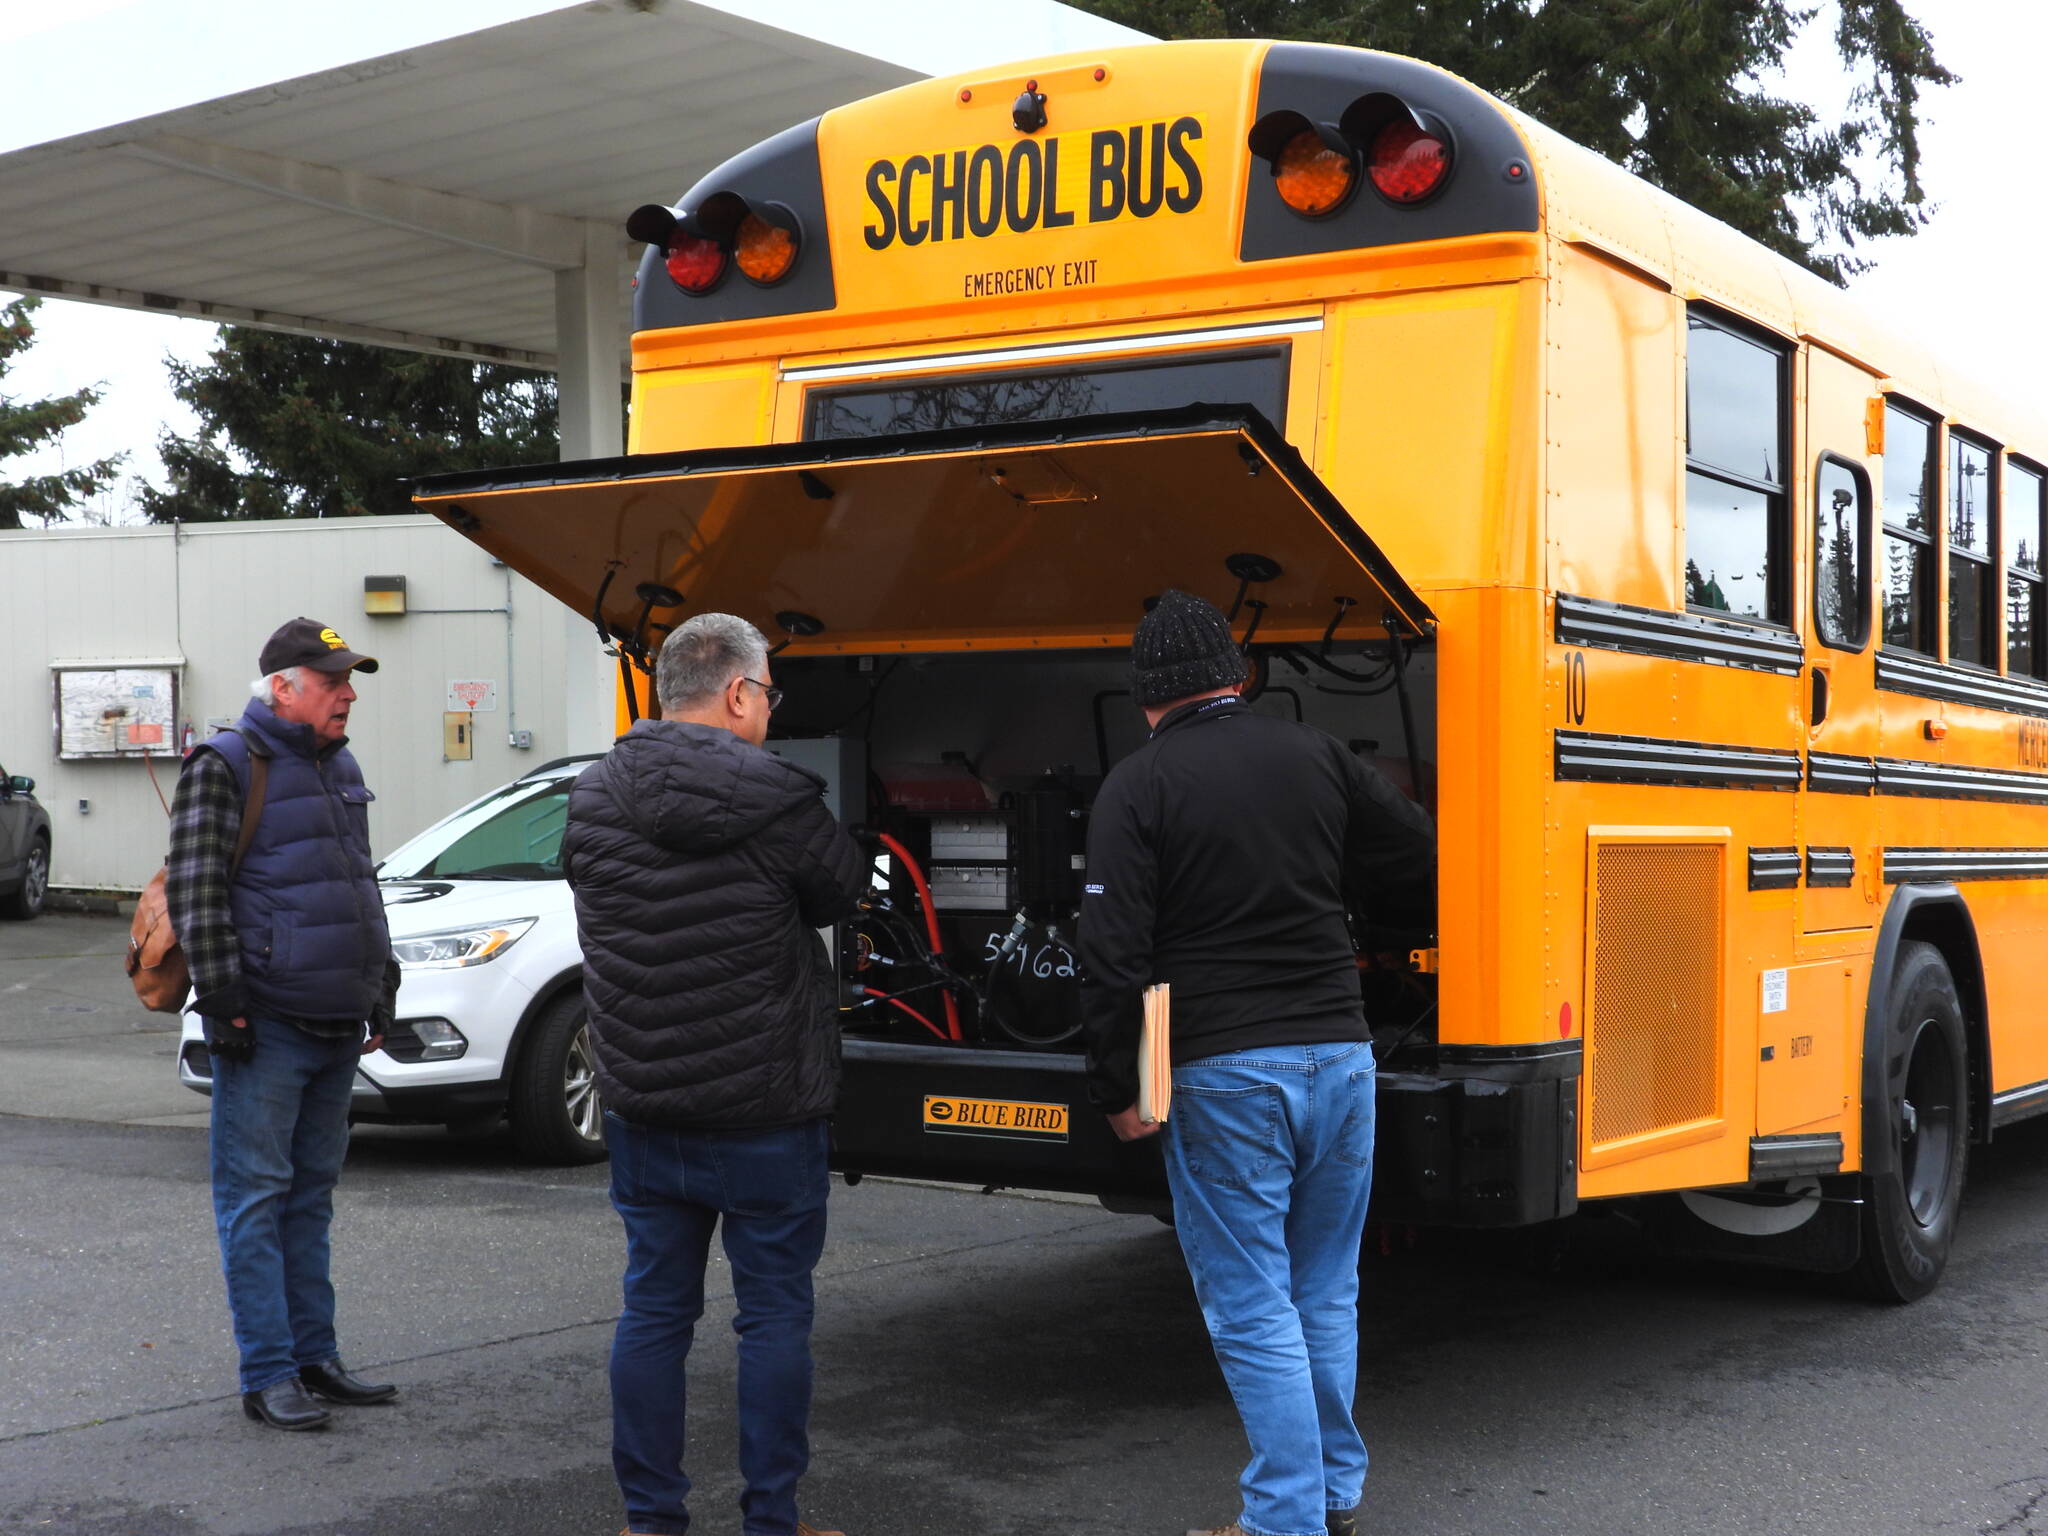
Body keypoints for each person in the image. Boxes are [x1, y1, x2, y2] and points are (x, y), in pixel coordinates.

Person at [1077, 589, 1436, 1536]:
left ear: (1147, 696)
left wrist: (1124, 1088)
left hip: (1224, 1071)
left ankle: (1284, 1520)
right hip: (1344, 1055)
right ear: (1237, 678)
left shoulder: (1139, 786)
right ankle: (1329, 1495)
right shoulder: (1316, 755)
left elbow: (1116, 956)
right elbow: (1418, 856)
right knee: (1324, 1285)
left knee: (1250, 1304)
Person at [562, 612, 866, 1536]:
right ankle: (771, 1523)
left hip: (646, 1106)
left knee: (653, 1312)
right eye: (768, 693)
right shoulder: (776, 800)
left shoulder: (593, 794)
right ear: (738, 693)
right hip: (767, 1109)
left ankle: (652, 1522)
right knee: (772, 1318)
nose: (770, 711)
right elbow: (843, 889)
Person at [166, 617, 400, 1431]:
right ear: (283, 687)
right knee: (257, 1199)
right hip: (266, 1022)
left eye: (348, 680)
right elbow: (197, 893)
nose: (348, 694)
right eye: (332, 681)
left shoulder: (341, 766)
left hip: (337, 1017)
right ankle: (268, 1374)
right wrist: (226, 1002)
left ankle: (314, 1358)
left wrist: (382, 978)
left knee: (310, 1198)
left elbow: (357, 882)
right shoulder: (226, 764)